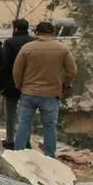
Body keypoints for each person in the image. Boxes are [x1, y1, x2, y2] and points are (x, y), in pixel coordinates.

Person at [13, 21, 77, 158]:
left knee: (24, 124)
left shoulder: (27, 48)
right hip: (51, 94)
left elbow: (17, 71)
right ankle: (49, 156)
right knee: (49, 126)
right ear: (52, 33)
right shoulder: (62, 49)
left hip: (29, 92)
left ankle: (18, 154)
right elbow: (72, 71)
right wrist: (64, 86)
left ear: (36, 32)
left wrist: (19, 85)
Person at [0, 18, 34, 148]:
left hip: (12, 83)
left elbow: (5, 64)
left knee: (11, 113)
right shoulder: (33, 42)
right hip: (29, 82)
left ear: (15, 28)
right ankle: (26, 141)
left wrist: (1, 84)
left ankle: (10, 140)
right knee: (26, 115)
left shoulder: (10, 42)